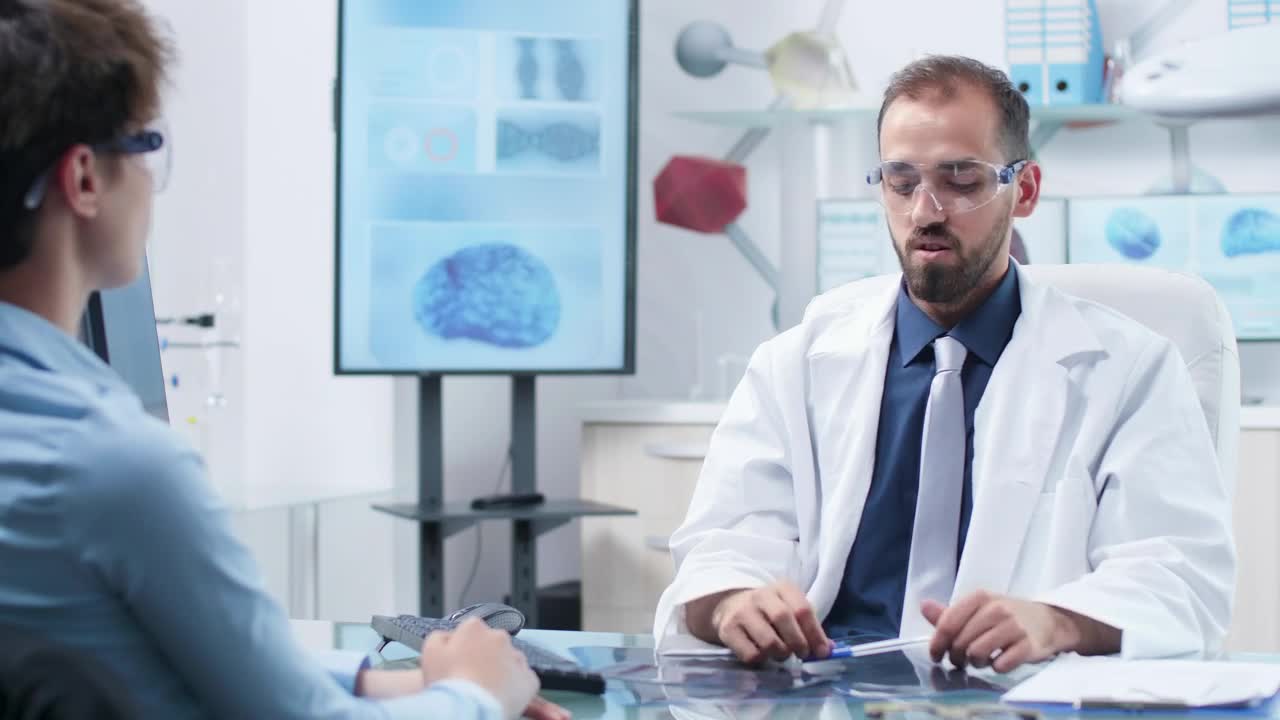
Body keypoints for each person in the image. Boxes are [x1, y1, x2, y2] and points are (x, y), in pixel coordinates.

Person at [0, 2, 567, 718]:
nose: (150, 179)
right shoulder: (112, 468)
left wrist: (395, 682)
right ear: (83, 180)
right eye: (145, 147)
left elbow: (181, 664)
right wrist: (476, 693)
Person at [654, 55, 1235, 673]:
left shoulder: (1130, 369)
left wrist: (1058, 619)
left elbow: (1179, 579)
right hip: (817, 692)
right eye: (902, 182)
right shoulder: (794, 364)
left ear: (1026, 190)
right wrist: (731, 603)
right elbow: (722, 545)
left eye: (961, 180)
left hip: (1013, 697)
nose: (925, 211)